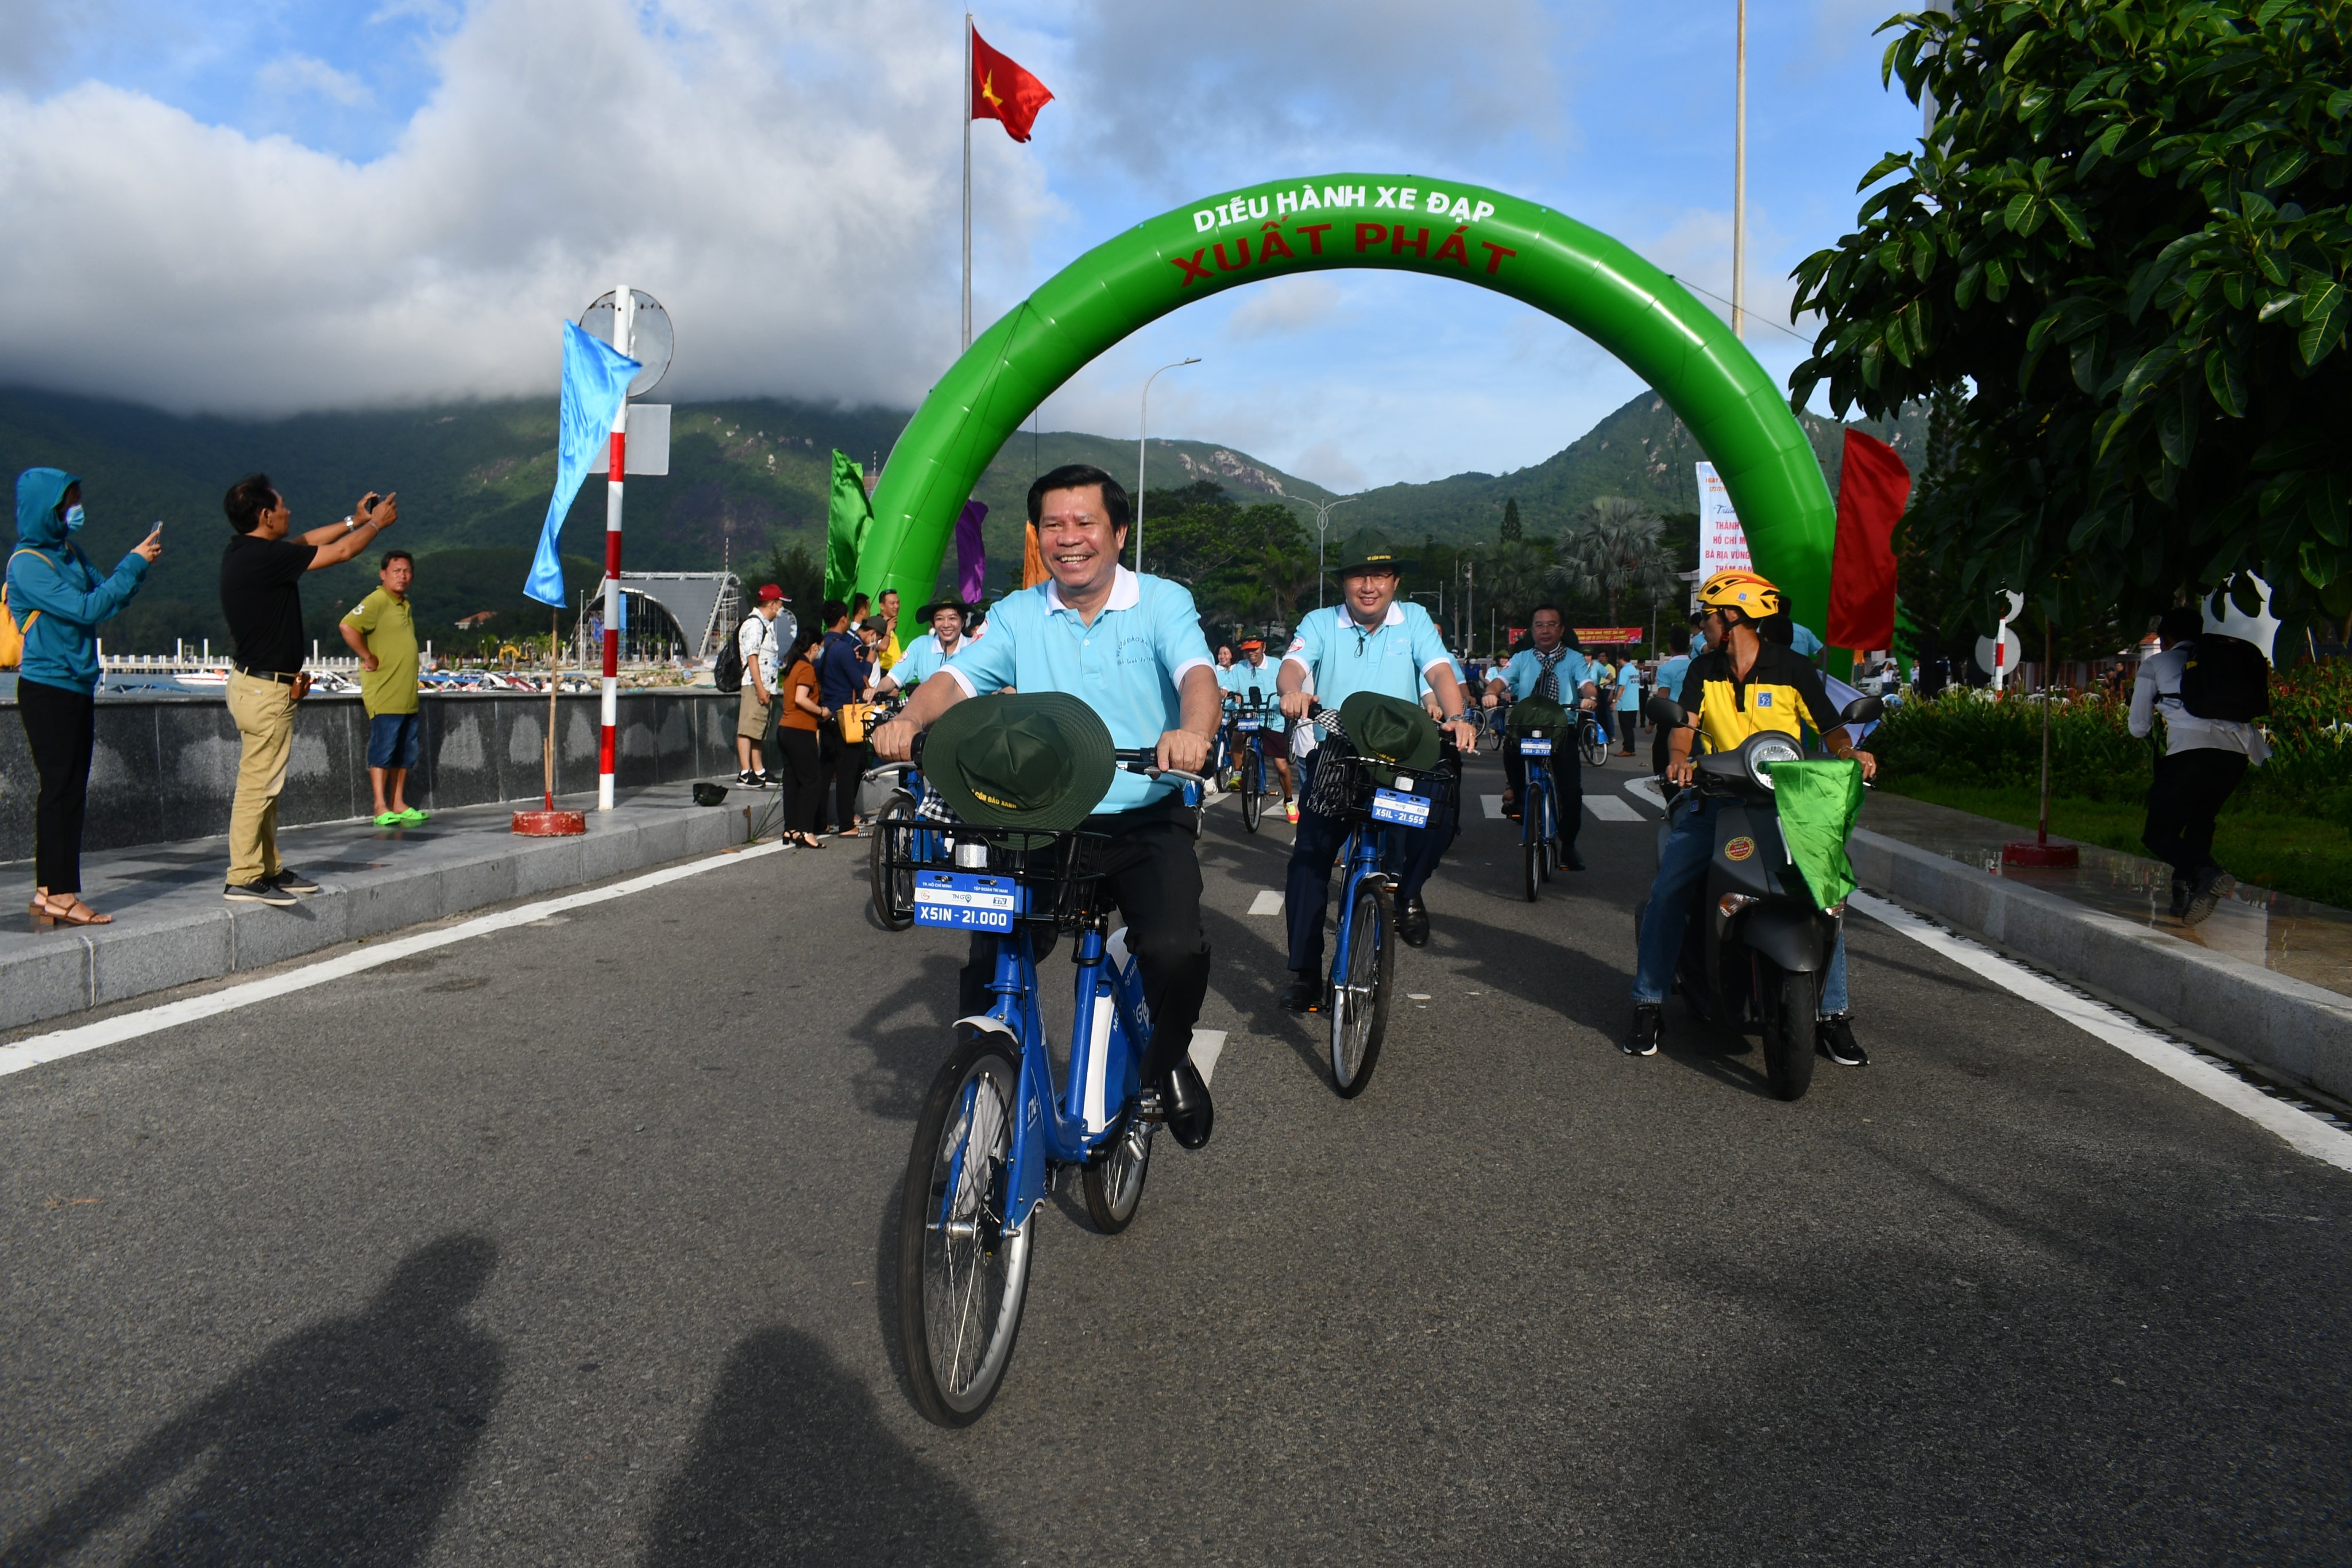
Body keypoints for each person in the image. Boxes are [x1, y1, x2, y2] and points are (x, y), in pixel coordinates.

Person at [872, 462, 1219, 1148]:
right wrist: (909, 719)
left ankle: (1168, 1056)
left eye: (1085, 522)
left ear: (1118, 533)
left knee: (1175, 949)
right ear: (1038, 536)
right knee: (997, 946)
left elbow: (1196, 675)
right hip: (1039, 814)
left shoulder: (1161, 602)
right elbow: (958, 680)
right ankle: (982, 1088)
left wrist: (1193, 734)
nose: (1069, 538)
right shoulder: (1018, 612)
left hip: (1143, 809)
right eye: (1053, 525)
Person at [1629, 570, 1875, 1064]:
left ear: (1732, 617)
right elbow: (1684, 726)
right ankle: (1647, 1003)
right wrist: (1679, 758)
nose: (1702, 624)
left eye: (1707, 615)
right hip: (1715, 798)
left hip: (1788, 802)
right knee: (1668, 890)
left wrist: (1850, 752)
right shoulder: (1703, 670)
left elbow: (1830, 728)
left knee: (1824, 891)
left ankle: (1832, 1014)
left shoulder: (1793, 668)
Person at [1277, 546, 1478, 999]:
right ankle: (1305, 973)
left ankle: (1407, 892)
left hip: (1400, 757)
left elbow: (1439, 671)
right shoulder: (1320, 622)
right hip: (1339, 755)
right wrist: (1292, 692)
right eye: (1358, 577)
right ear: (1342, 583)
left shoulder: (1414, 619)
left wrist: (1456, 716)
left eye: (1380, 576)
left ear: (1395, 582)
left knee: (1439, 818)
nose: (1369, 587)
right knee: (1309, 858)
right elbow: (1293, 667)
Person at [218, 474, 397, 907]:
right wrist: (377, 523)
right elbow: (341, 553)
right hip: (265, 692)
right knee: (257, 786)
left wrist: (354, 520)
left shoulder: (247, 552)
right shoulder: (262, 558)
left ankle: (267, 868)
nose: (289, 511)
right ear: (266, 515)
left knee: (267, 784)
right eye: (282, 506)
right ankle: (243, 875)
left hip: (257, 686)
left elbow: (308, 541)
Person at [7, 469, 161, 928]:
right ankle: (60, 893)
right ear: (47, 509)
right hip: (47, 687)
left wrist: (136, 567)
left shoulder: (70, 553)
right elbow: (86, 607)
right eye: (68, 503)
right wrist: (131, 564)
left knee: (69, 789)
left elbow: (106, 597)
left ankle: (47, 890)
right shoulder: (27, 564)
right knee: (60, 789)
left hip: (76, 684)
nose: (76, 510)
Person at [2131, 604, 2266, 924]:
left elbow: (2138, 727)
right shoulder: (2221, 660)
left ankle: (2208, 873)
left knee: (2158, 833)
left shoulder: (2157, 663)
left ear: (2164, 637)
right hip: (2236, 755)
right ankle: (2187, 894)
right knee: (2201, 820)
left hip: (2190, 753)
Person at [1482, 605, 1598, 864]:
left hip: (1561, 729)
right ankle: (1519, 796)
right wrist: (1491, 692)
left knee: (1572, 791)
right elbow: (1501, 681)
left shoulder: (1575, 659)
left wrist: (1590, 697)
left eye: (1551, 624)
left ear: (1562, 629)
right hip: (1527, 727)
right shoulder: (1521, 658)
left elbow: (1587, 685)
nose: (1545, 630)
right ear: (1532, 630)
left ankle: (1568, 845)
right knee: (1510, 751)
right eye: (1539, 625)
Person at [337, 549, 428, 827]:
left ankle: (398, 803)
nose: (402, 576)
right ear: (383, 574)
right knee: (383, 749)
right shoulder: (377, 600)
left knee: (406, 753)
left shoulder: (404, 604)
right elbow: (347, 626)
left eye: (407, 571)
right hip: (385, 693)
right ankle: (380, 806)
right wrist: (367, 656)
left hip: (407, 695)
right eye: (396, 571)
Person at [1225, 636, 1296, 822]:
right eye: (1247, 650)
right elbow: (1229, 685)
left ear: (1264, 647)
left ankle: (1289, 801)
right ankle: (1238, 773)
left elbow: (1287, 684)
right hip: (1249, 715)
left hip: (1272, 719)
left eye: (1255, 649)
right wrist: (1225, 691)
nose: (1251, 654)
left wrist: (1287, 695)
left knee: (1281, 767)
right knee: (1237, 735)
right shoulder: (1239, 668)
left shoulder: (1277, 665)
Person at [812, 599, 862, 835]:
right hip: (844, 715)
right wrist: (866, 664)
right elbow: (858, 682)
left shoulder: (820, 646)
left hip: (824, 713)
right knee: (847, 770)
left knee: (825, 768)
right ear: (843, 619)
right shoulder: (843, 649)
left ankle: (820, 822)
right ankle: (846, 823)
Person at [774, 624, 826, 847]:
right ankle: (806, 830)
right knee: (812, 780)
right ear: (814, 646)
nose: (821, 651)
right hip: (801, 729)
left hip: (785, 729)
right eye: (820, 647)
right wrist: (821, 711)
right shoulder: (806, 668)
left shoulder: (792, 667)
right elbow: (801, 698)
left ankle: (792, 828)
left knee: (792, 780)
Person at [731, 584, 787, 787]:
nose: (782, 608)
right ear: (772, 605)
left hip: (765, 686)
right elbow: (752, 658)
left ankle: (759, 770)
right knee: (748, 728)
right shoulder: (754, 625)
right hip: (754, 686)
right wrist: (761, 688)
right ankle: (745, 772)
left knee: (758, 729)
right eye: (780, 603)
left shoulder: (765, 624)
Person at [880, 600, 975, 694]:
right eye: (940, 619)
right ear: (933, 623)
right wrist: (876, 693)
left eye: (952, 618)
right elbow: (892, 679)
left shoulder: (975, 647)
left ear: (963, 621)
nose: (946, 625)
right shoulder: (920, 645)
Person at [1650, 626, 1696, 778]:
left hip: (1671, 719)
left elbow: (1663, 697)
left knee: (1661, 760)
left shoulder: (1665, 669)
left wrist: (1651, 722)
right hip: (1695, 718)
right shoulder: (1695, 665)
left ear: (1670, 646)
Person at [1615, 652, 1642, 754]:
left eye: (1618, 659)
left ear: (1622, 659)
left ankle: (1628, 749)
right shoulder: (1634, 670)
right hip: (1633, 704)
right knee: (1629, 728)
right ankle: (1630, 748)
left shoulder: (1624, 671)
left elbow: (1621, 687)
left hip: (1625, 704)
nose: (1617, 661)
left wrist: (1615, 701)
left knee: (1626, 728)